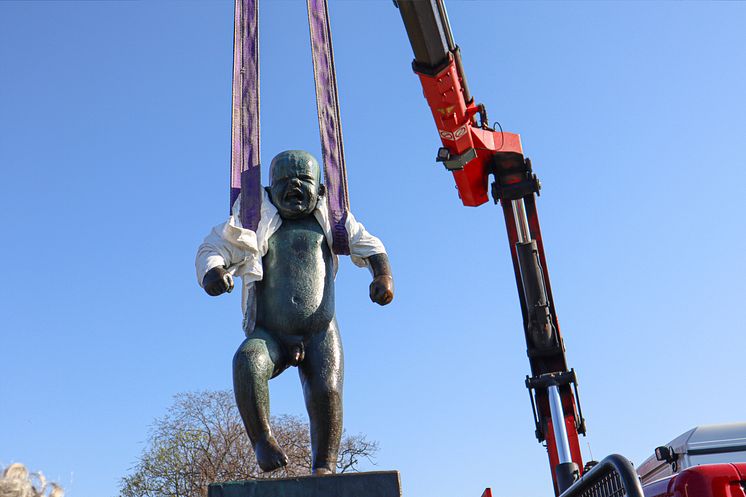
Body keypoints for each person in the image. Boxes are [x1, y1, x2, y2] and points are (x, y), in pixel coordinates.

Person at [195, 150, 394, 474]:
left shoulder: (333, 222)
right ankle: (262, 440)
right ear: (270, 190)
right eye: (284, 182)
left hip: (320, 330)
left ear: (320, 189)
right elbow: (213, 247)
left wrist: (382, 275)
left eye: (303, 181)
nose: (294, 188)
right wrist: (212, 272)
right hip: (271, 332)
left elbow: (369, 244)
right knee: (247, 361)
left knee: (326, 391)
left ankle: (325, 465)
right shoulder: (253, 222)